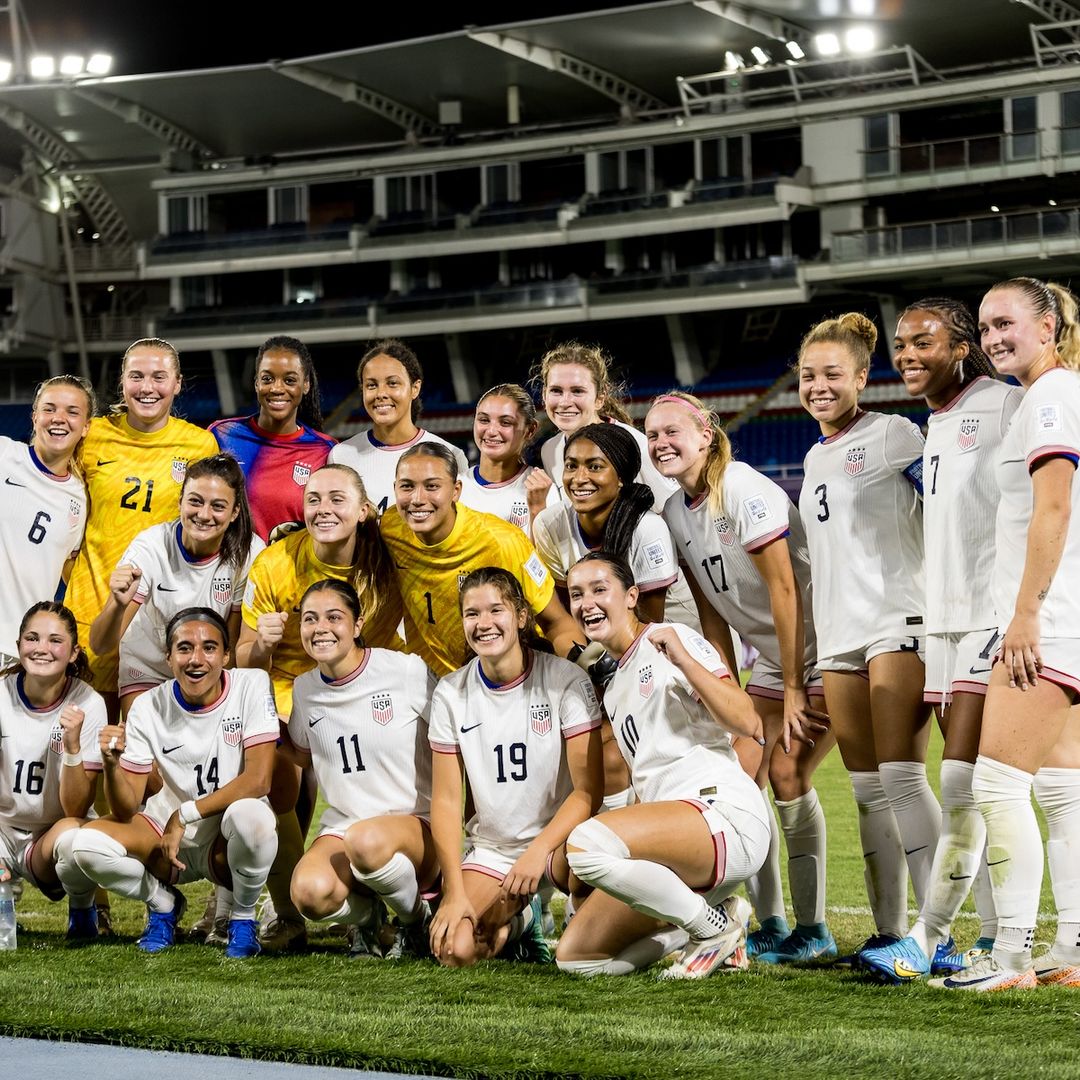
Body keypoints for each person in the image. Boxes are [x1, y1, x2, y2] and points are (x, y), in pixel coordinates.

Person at [859, 298, 1019, 983]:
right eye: (900, 345)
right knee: (975, 787)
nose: (907, 355)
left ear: (961, 347)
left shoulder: (1006, 407)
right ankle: (990, 938)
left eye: (922, 342)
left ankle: (936, 938)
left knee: (963, 779)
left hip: (993, 618)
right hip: (947, 625)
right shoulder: (938, 422)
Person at [645, 390, 835, 964]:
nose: (660, 444)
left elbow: (783, 588)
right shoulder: (675, 513)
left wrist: (798, 684)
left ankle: (815, 929)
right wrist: (720, 682)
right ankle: (771, 923)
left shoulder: (744, 487)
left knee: (787, 771)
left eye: (672, 432)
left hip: (824, 648)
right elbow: (710, 610)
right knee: (738, 780)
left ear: (706, 434)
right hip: (776, 662)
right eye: (652, 435)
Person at [932, 277, 1080, 992]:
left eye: (1006, 323)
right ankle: (1072, 952)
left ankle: (1013, 956)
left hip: (1045, 620)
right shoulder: (1051, 394)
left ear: (1048, 325)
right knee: (1061, 788)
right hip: (1065, 614)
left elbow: (1053, 509)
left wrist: (1024, 615)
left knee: (997, 784)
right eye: (986, 326)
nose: (992, 337)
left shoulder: (1050, 395)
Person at [797, 312, 940, 964]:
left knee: (905, 780)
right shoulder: (812, 453)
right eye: (808, 375)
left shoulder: (893, 434)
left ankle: (938, 942)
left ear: (861, 376)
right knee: (866, 791)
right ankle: (890, 936)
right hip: (839, 638)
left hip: (896, 622)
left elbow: (948, 506)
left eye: (832, 374)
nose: (819, 385)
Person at [555, 553, 770, 978]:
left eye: (600, 589)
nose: (587, 603)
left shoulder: (671, 639)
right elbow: (646, 784)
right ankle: (715, 922)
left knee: (584, 845)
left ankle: (708, 931)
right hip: (678, 848)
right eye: (577, 594)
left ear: (631, 596)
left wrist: (684, 661)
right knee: (576, 959)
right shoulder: (615, 686)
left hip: (722, 814)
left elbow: (748, 722)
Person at [238, 463, 403, 952]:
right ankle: (287, 913)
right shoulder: (274, 561)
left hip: (362, 684)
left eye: (337, 499)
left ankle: (368, 900)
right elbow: (245, 659)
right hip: (286, 687)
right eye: (314, 499)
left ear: (364, 510)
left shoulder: (388, 558)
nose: (324, 509)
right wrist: (263, 643)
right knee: (274, 781)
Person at [56, 608, 279, 958]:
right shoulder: (147, 705)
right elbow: (126, 807)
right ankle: (163, 904)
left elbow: (259, 779)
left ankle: (242, 917)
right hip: (162, 837)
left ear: (225, 654)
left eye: (209, 647)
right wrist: (113, 765)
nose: (196, 658)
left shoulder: (251, 685)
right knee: (83, 847)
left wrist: (185, 814)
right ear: (169, 657)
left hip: (223, 832)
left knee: (256, 820)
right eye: (184, 648)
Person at [428, 567, 603, 967]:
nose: (483, 623)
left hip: (561, 843)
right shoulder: (451, 693)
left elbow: (587, 793)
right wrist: (453, 891)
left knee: (583, 945)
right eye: (472, 613)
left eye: (496, 611)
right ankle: (524, 919)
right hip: (494, 849)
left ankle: (575, 908)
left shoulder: (564, 680)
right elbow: (446, 801)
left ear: (521, 616)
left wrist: (538, 851)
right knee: (455, 950)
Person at [64, 338, 218, 719]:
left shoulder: (199, 444)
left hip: (159, 622)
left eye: (159, 377)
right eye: (137, 376)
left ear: (177, 383)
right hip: (90, 610)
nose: (147, 387)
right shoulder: (93, 436)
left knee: (150, 757)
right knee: (83, 746)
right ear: (122, 381)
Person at [285, 579, 439, 959]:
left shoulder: (405, 671)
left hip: (413, 826)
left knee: (366, 841)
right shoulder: (304, 689)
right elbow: (304, 754)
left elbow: (452, 740)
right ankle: (369, 920)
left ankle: (414, 921)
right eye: (310, 619)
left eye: (333, 617)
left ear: (357, 624)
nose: (320, 628)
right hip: (344, 827)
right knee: (307, 892)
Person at [380, 441, 579, 676]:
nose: (417, 498)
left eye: (432, 486)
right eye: (407, 486)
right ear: (394, 489)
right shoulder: (390, 527)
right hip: (442, 686)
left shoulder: (501, 541)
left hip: (516, 679)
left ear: (456, 491)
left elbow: (556, 622)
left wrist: (581, 667)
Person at [89, 454, 263, 718]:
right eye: (195, 501)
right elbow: (100, 646)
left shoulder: (249, 553)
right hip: (148, 665)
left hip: (206, 669)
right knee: (144, 750)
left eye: (218, 506)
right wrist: (117, 604)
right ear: (180, 501)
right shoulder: (151, 547)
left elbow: (233, 644)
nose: (204, 515)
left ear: (235, 512)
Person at [0, 602, 105, 938]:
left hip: (50, 834)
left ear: (74, 653)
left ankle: (82, 908)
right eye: (32, 638)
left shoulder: (88, 703)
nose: (42, 648)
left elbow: (75, 809)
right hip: (2, 827)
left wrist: (72, 747)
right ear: (18, 647)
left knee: (79, 837)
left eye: (54, 641)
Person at [532, 423, 698, 628]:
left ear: (621, 477)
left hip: (680, 630)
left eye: (595, 467)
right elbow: (566, 614)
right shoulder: (549, 524)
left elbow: (647, 627)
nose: (579, 478)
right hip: (608, 636)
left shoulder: (647, 529)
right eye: (571, 466)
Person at [0, 376, 95, 665]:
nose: (59, 419)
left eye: (72, 412)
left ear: (87, 426)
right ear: (34, 416)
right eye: (49, 408)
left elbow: (70, 572)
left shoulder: (81, 499)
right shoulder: (4, 454)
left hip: (20, 652)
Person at [210, 335, 335, 543]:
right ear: (256, 383)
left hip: (290, 572)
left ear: (306, 385)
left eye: (289, 380)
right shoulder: (222, 435)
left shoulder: (325, 450)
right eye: (267, 379)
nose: (277, 388)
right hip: (226, 572)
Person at [328, 339, 467, 516]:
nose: (381, 394)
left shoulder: (450, 454)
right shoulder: (341, 455)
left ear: (415, 388)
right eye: (371, 385)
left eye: (392, 383)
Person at [533, 342, 675, 511]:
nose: (565, 402)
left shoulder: (635, 445)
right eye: (556, 390)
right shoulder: (550, 450)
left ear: (600, 397)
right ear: (544, 395)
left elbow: (669, 510)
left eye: (577, 391)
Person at [459, 383, 557, 532]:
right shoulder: (455, 487)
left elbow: (549, 555)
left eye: (505, 422)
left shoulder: (543, 490)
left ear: (530, 430)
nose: (491, 431)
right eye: (484, 420)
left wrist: (537, 509)